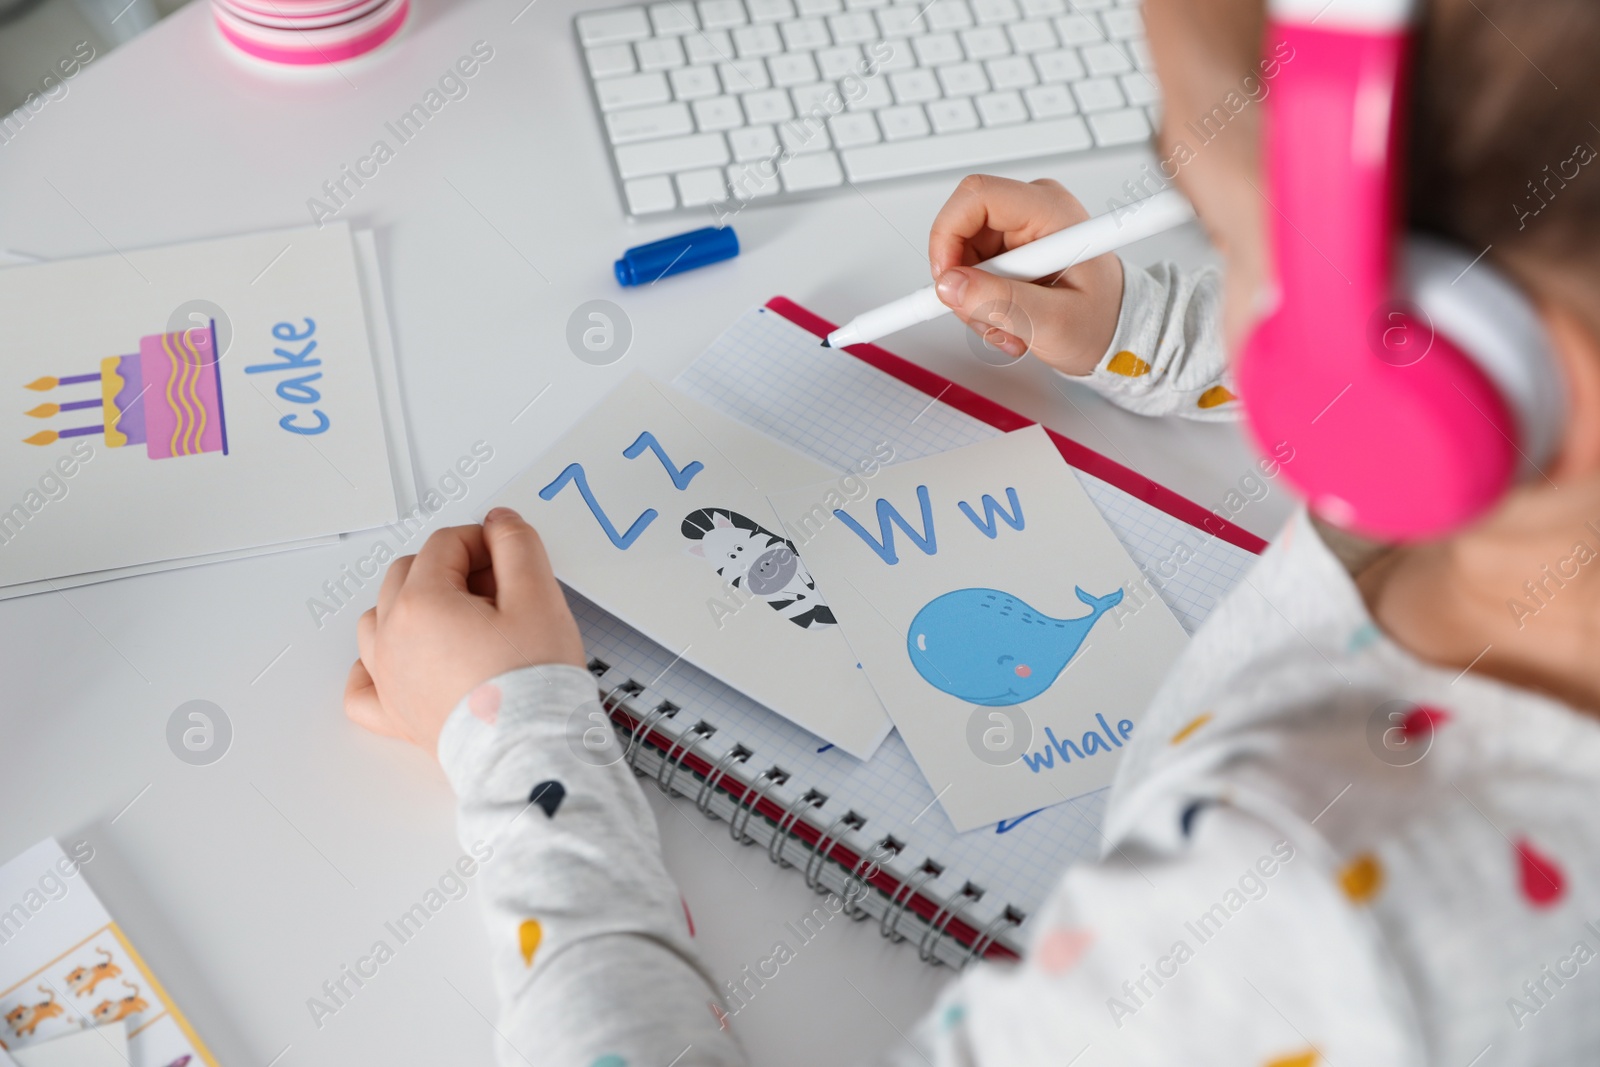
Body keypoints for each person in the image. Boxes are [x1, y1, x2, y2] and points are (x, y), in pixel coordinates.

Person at [344, 0, 1600, 1061]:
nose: (1234, 281)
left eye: (1221, 229)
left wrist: (523, 750)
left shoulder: (1294, 932)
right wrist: (1144, 329)